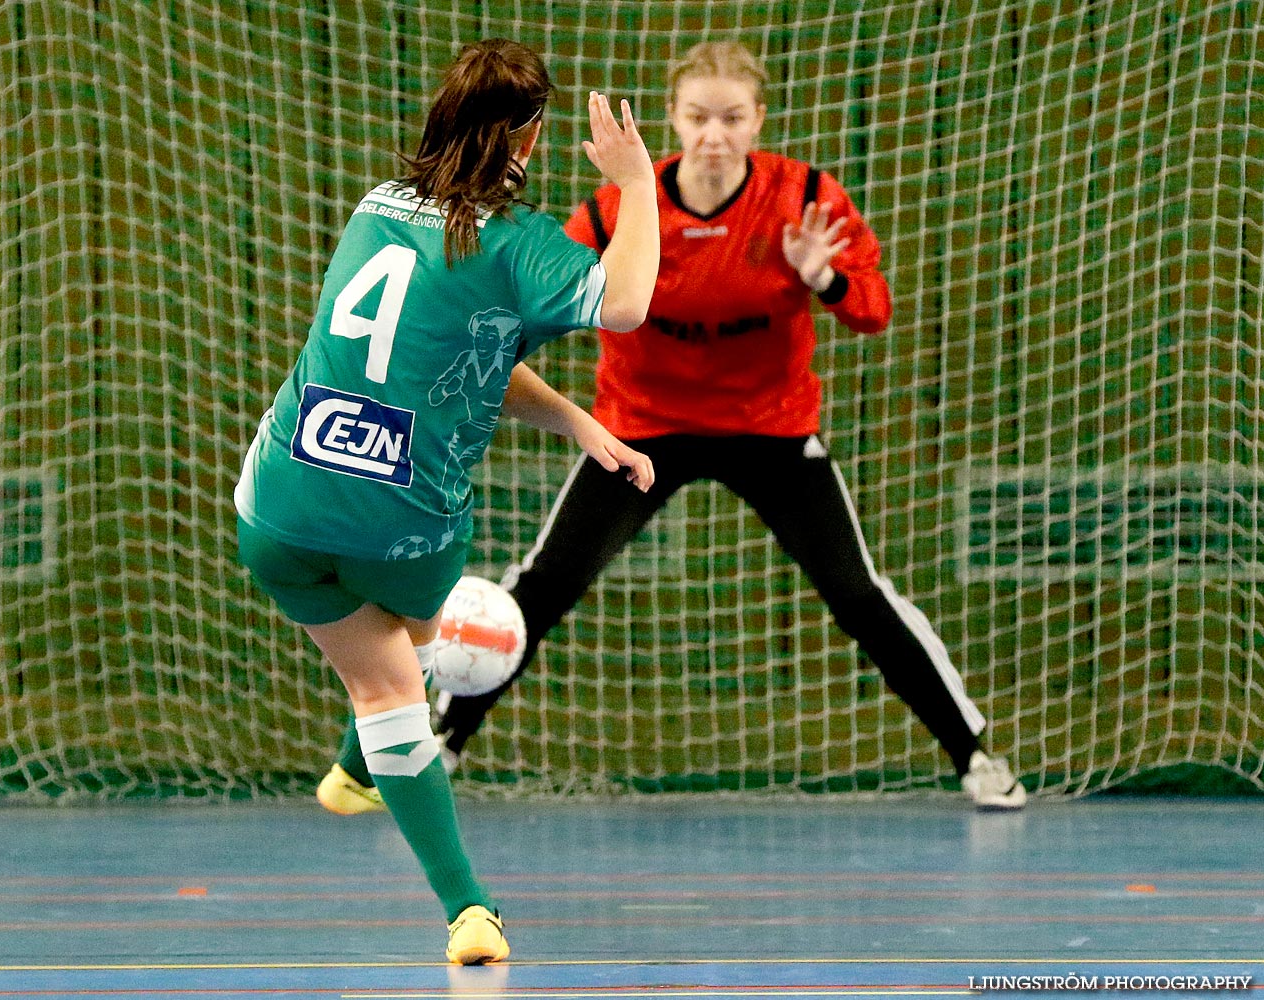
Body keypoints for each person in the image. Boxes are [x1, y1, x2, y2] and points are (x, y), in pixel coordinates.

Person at [317, 39, 1026, 816]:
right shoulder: (620, 208)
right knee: (544, 584)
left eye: (731, 117)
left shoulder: (807, 199)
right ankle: (442, 743)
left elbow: (874, 310)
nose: (713, 134)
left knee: (857, 592)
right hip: (643, 429)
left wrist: (823, 277)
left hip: (771, 433)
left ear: (758, 119)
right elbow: (530, 312)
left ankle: (974, 753)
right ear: (673, 120)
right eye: (697, 116)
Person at [237, 38, 660, 964]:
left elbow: (455, 356)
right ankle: (468, 909)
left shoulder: (372, 212)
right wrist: (636, 185)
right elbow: (626, 302)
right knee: (402, 678)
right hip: (404, 526)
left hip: (275, 504)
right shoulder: (516, 245)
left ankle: (359, 767)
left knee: (371, 679)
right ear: (530, 137)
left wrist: (577, 423)